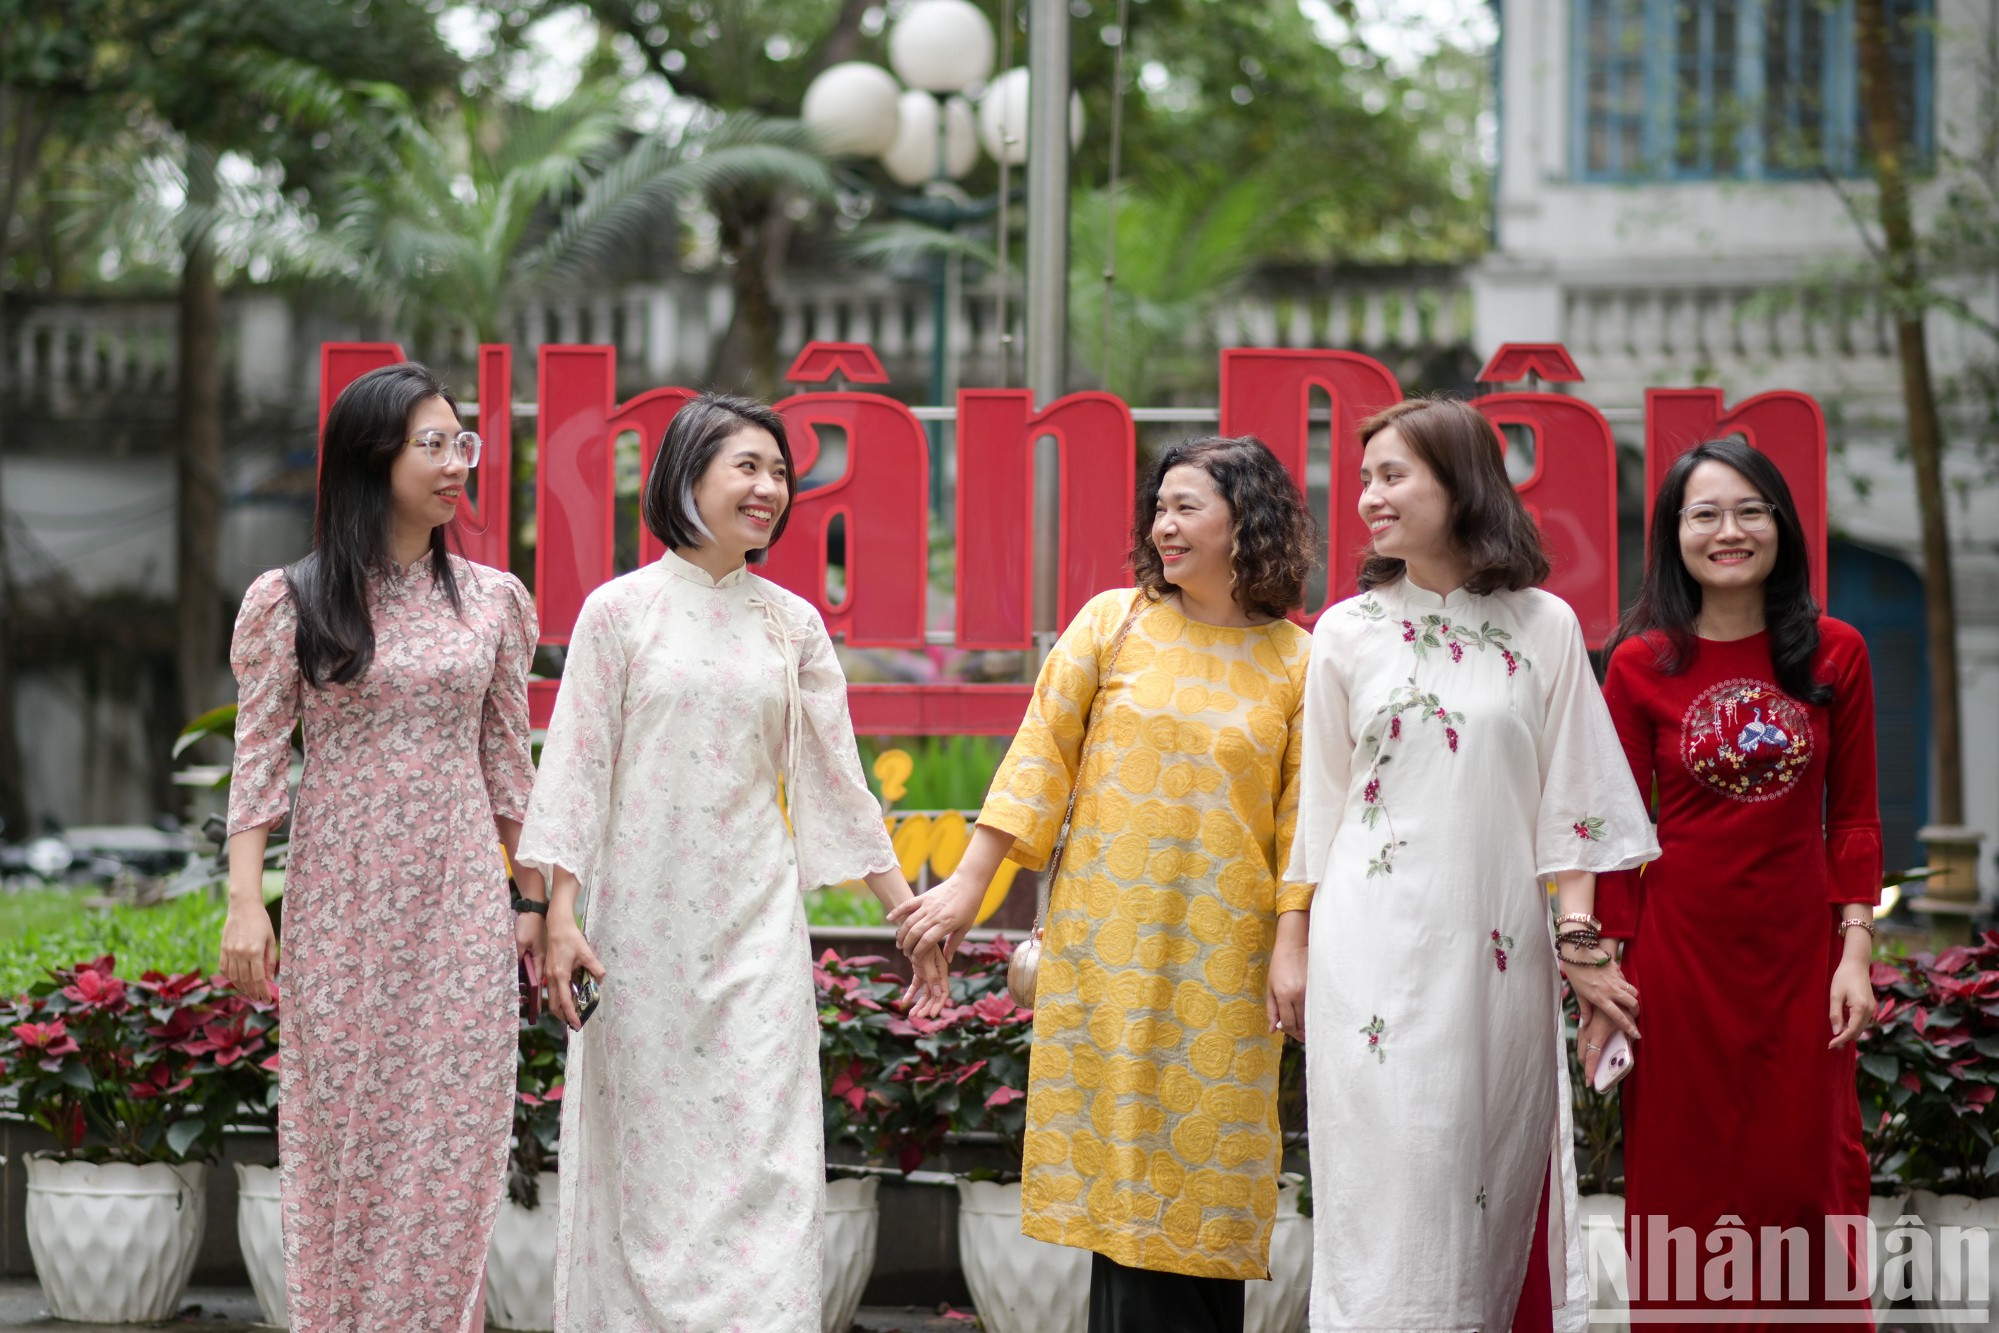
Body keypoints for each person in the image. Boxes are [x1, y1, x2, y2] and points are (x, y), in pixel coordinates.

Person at [515, 392, 945, 1332]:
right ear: (685, 474)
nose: (768, 487)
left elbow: (840, 783)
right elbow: (577, 772)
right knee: (647, 1169)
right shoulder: (618, 613)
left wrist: (907, 914)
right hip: (637, 942)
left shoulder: (790, 624)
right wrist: (560, 916)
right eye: (746, 465)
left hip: (754, 931)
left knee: (768, 1162)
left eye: (780, 471)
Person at [892, 435, 1315, 1333]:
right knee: (1124, 1180)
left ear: (1250, 520)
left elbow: (1298, 828)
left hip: (1224, 965)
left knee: (1208, 1178)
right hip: (1109, 946)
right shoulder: (1111, 622)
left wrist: (1292, 946)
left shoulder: (1296, 662)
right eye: (1158, 507)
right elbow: (1037, 762)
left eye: (1187, 506)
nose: (1164, 525)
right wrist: (969, 886)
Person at [1284, 396, 1657, 1332]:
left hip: (1493, 956)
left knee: (1473, 1174)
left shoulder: (1545, 627)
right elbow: (1317, 810)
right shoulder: (1342, 632)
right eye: (1363, 477)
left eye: (1392, 474)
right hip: (1362, 955)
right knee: (1382, 1188)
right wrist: (1289, 940)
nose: (1368, 496)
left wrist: (1578, 938)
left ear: (1459, 483)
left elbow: (1574, 800)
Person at [218, 362, 537, 1332]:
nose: (455, 464)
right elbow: (259, 762)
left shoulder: (492, 600)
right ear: (372, 459)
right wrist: (243, 903)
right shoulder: (290, 600)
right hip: (339, 908)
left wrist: (535, 907)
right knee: (343, 1141)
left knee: (453, 1143)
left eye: (461, 443)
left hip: (459, 911)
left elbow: (509, 771)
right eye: (430, 444)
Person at [1591, 438, 1879, 1318]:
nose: (1729, 531)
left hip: (1799, 964)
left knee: (1808, 1173)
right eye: (1704, 513)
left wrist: (1854, 951)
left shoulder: (1835, 653)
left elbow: (1855, 817)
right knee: (1684, 1181)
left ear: (1781, 527)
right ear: (1673, 533)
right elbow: (1611, 830)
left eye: (1749, 511)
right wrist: (1604, 976)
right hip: (1677, 966)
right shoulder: (1638, 663)